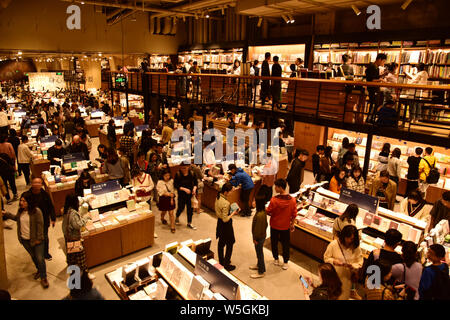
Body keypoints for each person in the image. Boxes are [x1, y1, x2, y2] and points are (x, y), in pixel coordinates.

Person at [11, 194, 49, 288]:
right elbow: (17, 219)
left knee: (40, 258)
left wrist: (39, 239)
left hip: (36, 240)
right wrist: (6, 214)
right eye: (21, 201)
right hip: (25, 240)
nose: (21, 203)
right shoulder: (20, 211)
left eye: (24, 201)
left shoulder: (36, 211)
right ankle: (39, 270)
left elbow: (40, 225)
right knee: (33, 256)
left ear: (29, 202)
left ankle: (44, 277)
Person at [323, 225, 363, 300]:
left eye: (352, 239)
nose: (349, 241)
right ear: (343, 236)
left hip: (347, 279)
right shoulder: (334, 244)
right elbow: (326, 258)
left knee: (343, 297)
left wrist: (353, 266)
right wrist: (334, 261)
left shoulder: (356, 248)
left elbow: (360, 262)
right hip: (333, 278)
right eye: (348, 238)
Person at [266, 179, 297, 270]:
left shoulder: (274, 200)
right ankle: (285, 262)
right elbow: (294, 214)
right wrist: (292, 224)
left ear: (280, 187)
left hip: (275, 225)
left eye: (276, 186)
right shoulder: (292, 200)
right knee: (285, 244)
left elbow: (268, 211)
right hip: (285, 226)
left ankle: (276, 259)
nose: (274, 188)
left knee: (274, 243)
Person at [24, 177, 56, 260]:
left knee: (44, 237)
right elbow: (22, 207)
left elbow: (51, 206)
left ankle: (45, 253)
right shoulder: (26, 195)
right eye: (35, 182)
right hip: (31, 220)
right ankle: (36, 253)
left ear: (41, 185)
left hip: (44, 220)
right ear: (32, 183)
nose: (37, 184)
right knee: (33, 236)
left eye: (39, 183)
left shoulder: (45, 194)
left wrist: (53, 218)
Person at [62, 193, 90, 273]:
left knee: (72, 255)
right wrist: (85, 218)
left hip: (68, 237)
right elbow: (78, 225)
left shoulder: (66, 211)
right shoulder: (73, 213)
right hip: (74, 238)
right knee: (80, 256)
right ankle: (85, 273)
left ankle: (73, 270)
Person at [215, 183, 239, 272]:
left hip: (219, 223)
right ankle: (226, 264)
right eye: (229, 192)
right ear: (225, 192)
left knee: (221, 243)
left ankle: (221, 261)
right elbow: (225, 219)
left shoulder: (218, 197)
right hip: (226, 225)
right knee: (230, 242)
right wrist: (233, 213)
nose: (230, 193)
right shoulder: (226, 203)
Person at [249, 192, 268, 279]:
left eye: (254, 201)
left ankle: (261, 271)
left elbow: (257, 229)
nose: (253, 202)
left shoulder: (260, 215)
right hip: (261, 236)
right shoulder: (262, 211)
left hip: (259, 238)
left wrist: (255, 238)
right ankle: (258, 265)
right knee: (258, 252)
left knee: (260, 253)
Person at [174, 164, 198, 230]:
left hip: (190, 195)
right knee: (181, 208)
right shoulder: (178, 174)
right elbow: (176, 185)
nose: (183, 170)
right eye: (182, 168)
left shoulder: (192, 174)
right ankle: (177, 217)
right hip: (181, 195)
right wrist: (184, 189)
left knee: (190, 209)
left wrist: (194, 189)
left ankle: (189, 223)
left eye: (185, 168)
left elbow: (196, 183)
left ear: (188, 167)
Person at [365, 53, 387, 123]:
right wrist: (380, 79)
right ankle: (369, 119)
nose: (383, 63)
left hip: (375, 88)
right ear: (379, 59)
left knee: (375, 104)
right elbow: (370, 79)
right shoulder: (372, 67)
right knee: (373, 104)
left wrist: (382, 75)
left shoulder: (376, 67)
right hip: (372, 89)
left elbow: (375, 77)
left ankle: (371, 118)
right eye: (383, 61)